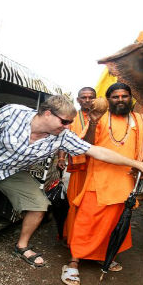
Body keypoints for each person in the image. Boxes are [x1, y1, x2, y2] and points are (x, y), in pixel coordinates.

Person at [0, 94, 143, 268]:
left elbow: (97, 151)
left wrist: (138, 164)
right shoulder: (13, 112)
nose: (67, 127)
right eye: (64, 122)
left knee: (39, 205)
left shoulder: (62, 136)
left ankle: (22, 246)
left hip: (12, 171)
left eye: (70, 123)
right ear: (47, 113)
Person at [60, 83, 143, 285]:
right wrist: (94, 124)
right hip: (98, 179)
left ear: (131, 98)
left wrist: (141, 169)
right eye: (115, 97)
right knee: (87, 221)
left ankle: (103, 254)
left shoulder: (141, 120)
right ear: (108, 99)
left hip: (125, 181)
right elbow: (84, 146)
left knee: (115, 223)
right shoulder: (100, 118)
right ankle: (73, 262)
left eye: (124, 96)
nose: (120, 99)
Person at [56, 87, 96, 244]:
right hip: (79, 169)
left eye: (91, 97)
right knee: (74, 203)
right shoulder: (71, 118)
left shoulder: (104, 117)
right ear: (78, 100)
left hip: (98, 168)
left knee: (92, 205)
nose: (87, 100)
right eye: (83, 97)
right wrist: (61, 158)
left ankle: (89, 239)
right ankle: (71, 237)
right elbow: (62, 139)